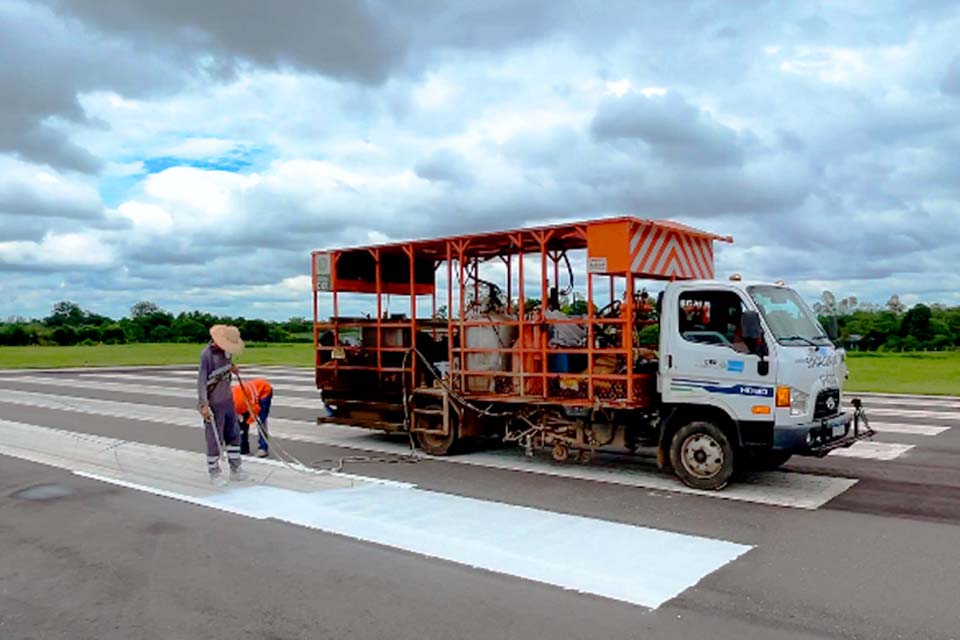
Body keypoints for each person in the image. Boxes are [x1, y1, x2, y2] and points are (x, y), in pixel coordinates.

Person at [198, 324, 248, 485]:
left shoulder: (227, 354)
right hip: (214, 404)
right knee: (214, 438)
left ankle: (236, 468)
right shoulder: (207, 355)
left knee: (234, 435)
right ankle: (214, 473)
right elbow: (201, 382)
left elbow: (225, 374)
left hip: (228, 402)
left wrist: (231, 369)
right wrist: (203, 404)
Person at [233, 378, 273, 457]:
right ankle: (243, 448)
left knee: (261, 421)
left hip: (264, 391)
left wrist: (249, 420)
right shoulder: (231, 403)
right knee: (241, 425)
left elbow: (256, 408)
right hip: (248, 399)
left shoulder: (238, 401)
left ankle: (263, 448)